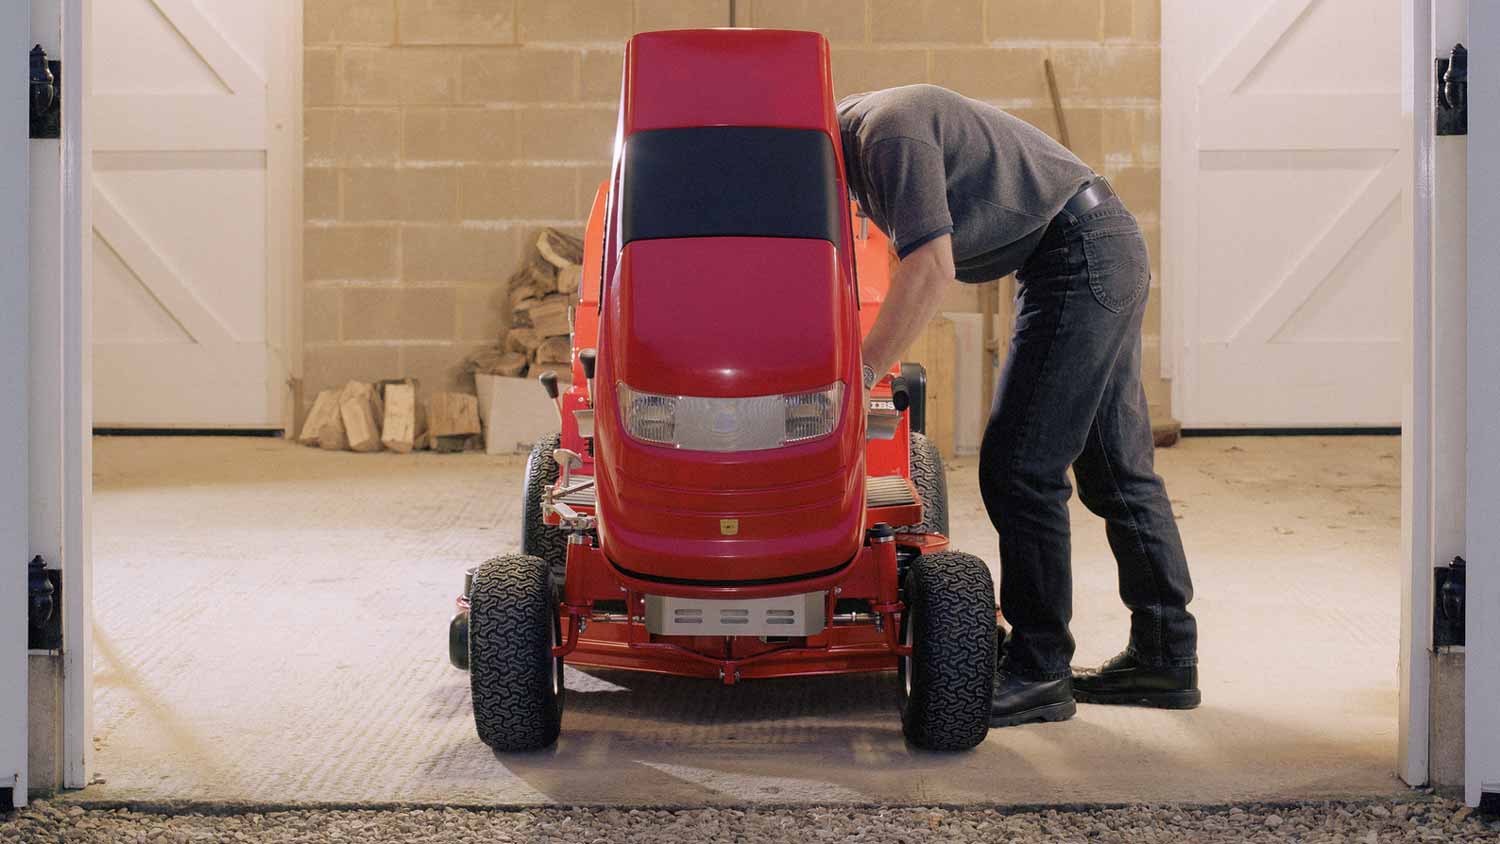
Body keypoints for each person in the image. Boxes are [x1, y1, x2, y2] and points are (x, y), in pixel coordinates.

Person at [840, 84, 1200, 727]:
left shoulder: (885, 134)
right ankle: (1165, 657)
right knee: (1115, 469)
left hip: (1078, 254)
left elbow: (930, 266)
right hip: (1094, 244)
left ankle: (1038, 668)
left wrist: (860, 373)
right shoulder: (862, 140)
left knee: (1018, 468)